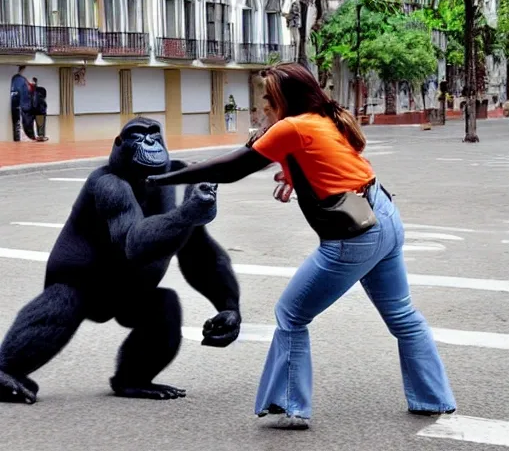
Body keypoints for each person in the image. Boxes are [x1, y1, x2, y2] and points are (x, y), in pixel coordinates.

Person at [146, 62, 456, 429]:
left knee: (291, 315)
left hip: (354, 232)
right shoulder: (322, 117)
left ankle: (291, 406)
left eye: (267, 95)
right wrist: (295, 179)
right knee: (403, 315)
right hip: (383, 214)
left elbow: (232, 168)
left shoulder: (291, 126)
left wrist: (165, 178)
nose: (262, 101)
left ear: (283, 98)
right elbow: (329, 163)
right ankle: (432, 398)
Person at [10, 66, 36, 141]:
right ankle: (24, 138)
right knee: (21, 124)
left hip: (19, 107)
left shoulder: (19, 80)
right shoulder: (21, 80)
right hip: (22, 107)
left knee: (18, 124)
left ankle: (19, 139)